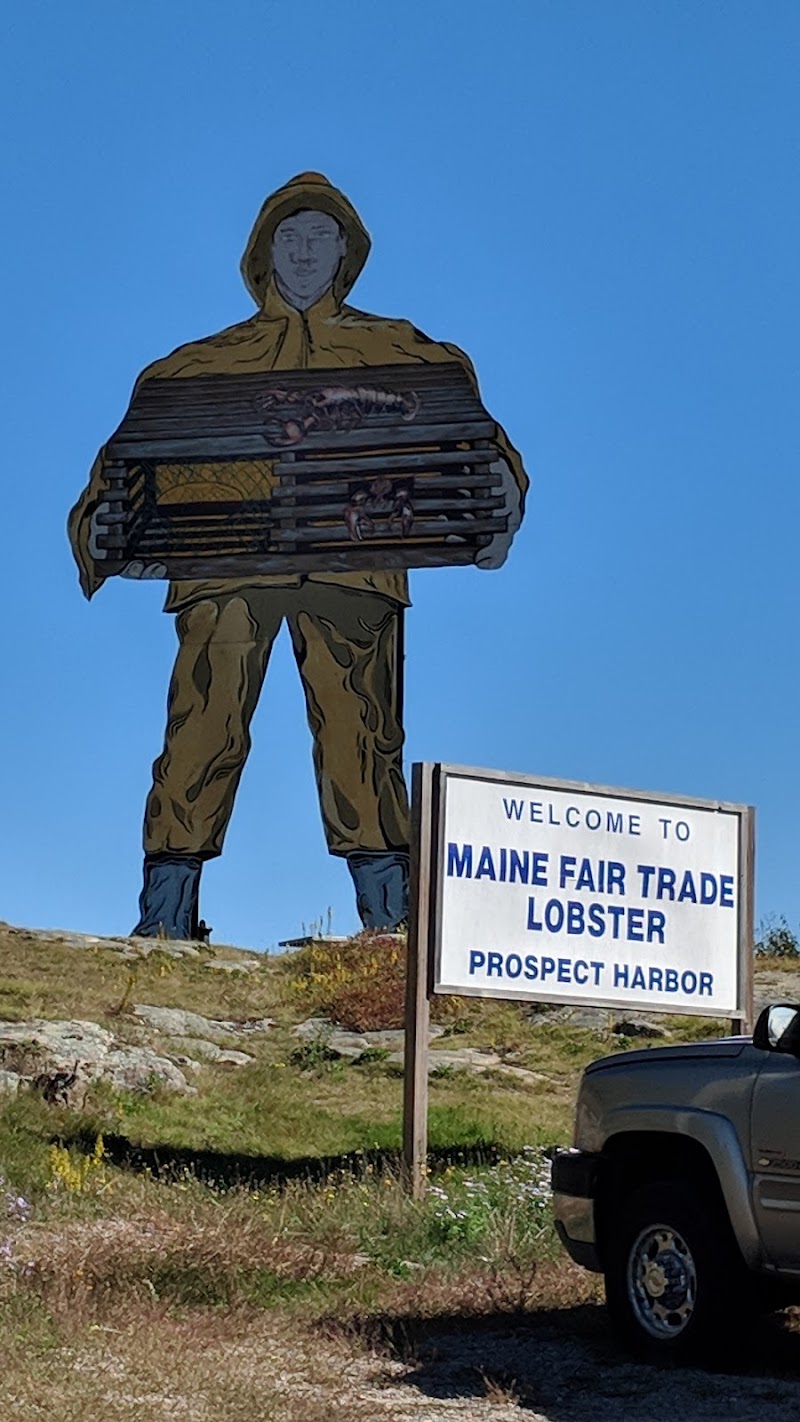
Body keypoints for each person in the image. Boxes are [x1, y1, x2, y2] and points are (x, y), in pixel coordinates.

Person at [68, 173, 529, 939]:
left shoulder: (403, 351)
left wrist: (495, 510)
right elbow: (126, 460)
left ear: (347, 252)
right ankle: (165, 921)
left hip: (354, 568)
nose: (305, 251)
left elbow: (478, 445)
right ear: (262, 251)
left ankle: (391, 926)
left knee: (364, 735)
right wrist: (95, 526)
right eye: (290, 236)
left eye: (321, 236)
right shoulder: (196, 366)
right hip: (228, 572)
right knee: (200, 731)